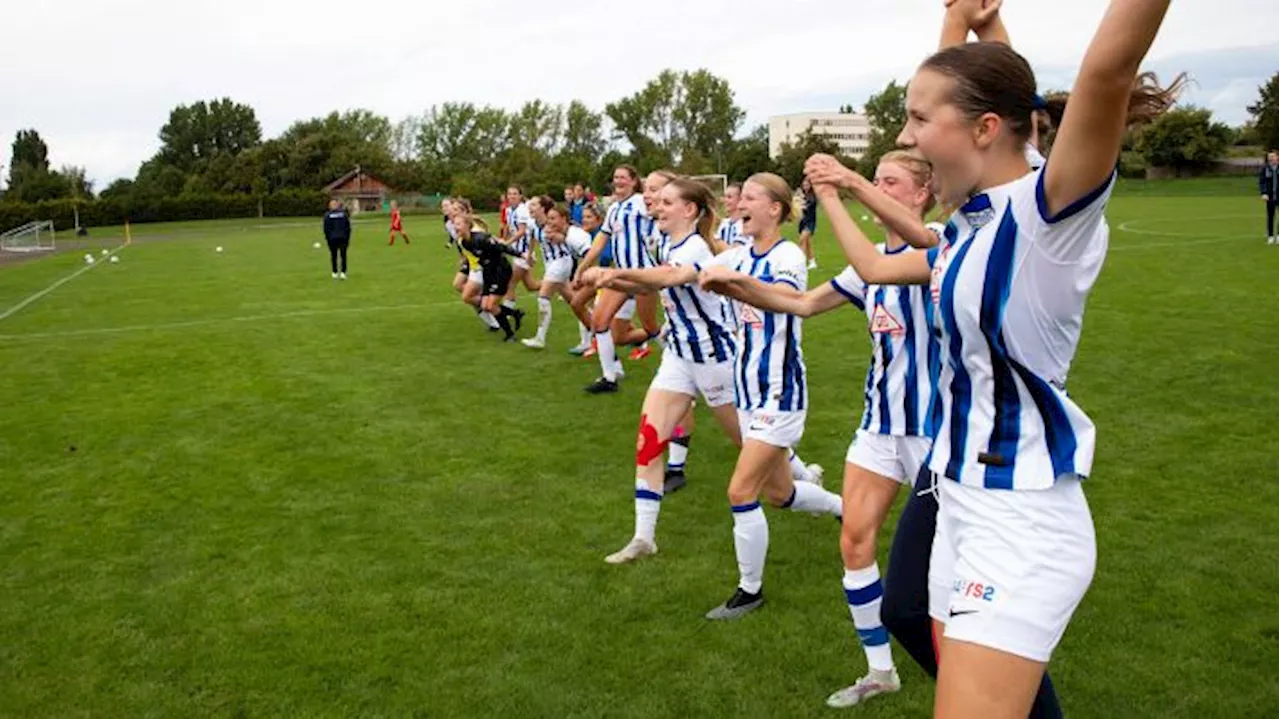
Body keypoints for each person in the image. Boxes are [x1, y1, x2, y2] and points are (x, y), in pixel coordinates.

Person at [803, 0, 1179, 712]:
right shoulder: (963, 231)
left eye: (917, 119)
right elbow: (999, 97)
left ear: (984, 130)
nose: (904, 136)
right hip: (961, 499)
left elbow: (1105, 73)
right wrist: (970, 23)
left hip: (1022, 518)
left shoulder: (1046, 218)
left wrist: (978, 44)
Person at [707, 150, 941, 707]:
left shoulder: (937, 242)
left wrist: (843, 185)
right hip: (879, 427)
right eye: (876, 178)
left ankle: (978, 672)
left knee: (950, 568)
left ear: (920, 195)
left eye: (891, 181)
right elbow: (806, 304)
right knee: (854, 541)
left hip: (939, 431)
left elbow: (911, 256)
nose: (877, 188)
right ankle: (880, 670)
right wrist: (736, 288)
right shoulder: (865, 267)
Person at [692, 172, 844, 620]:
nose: (740, 203)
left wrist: (732, 283)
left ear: (774, 209)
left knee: (741, 490)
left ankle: (750, 591)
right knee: (780, 493)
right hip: (747, 390)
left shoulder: (788, 254)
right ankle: (844, 508)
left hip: (780, 391)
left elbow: (786, 297)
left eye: (751, 198)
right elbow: (696, 269)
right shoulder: (739, 254)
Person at [583, 178, 745, 564]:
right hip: (678, 356)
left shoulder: (695, 247)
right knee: (649, 439)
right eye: (656, 198)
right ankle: (644, 537)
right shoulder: (663, 242)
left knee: (756, 449)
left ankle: (812, 486)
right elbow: (654, 278)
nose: (655, 204)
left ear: (689, 211)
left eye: (667, 200)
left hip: (713, 358)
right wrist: (612, 276)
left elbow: (671, 277)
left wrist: (613, 276)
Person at [575, 166, 658, 394]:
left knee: (651, 328)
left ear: (633, 181)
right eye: (615, 178)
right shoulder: (613, 210)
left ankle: (682, 372)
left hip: (643, 276)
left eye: (623, 177)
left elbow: (662, 217)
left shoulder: (642, 202)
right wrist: (581, 270)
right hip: (620, 275)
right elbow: (599, 242)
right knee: (600, 323)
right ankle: (609, 377)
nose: (618, 181)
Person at [522, 199, 595, 349]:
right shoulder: (533, 224)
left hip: (561, 262)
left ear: (543, 209)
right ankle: (592, 329)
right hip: (551, 264)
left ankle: (540, 338)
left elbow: (569, 238)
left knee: (543, 296)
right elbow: (532, 238)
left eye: (534, 205)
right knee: (575, 301)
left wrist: (560, 237)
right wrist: (529, 254)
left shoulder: (553, 227)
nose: (530, 208)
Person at [455, 206, 525, 342]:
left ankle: (510, 335)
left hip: (500, 271)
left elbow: (502, 247)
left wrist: (521, 254)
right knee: (485, 305)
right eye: (454, 224)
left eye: (458, 224)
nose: (455, 227)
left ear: (467, 225)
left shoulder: (481, 238)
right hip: (488, 272)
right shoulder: (464, 242)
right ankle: (515, 313)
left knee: (490, 306)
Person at [323, 199, 351, 280]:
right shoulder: (328, 215)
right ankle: (335, 272)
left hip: (341, 238)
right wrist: (328, 238)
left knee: (342, 255)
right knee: (335, 255)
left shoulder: (342, 214)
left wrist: (347, 237)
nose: (334, 205)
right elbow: (326, 228)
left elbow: (347, 227)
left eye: (335, 204)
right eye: (332, 204)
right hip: (334, 239)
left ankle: (342, 272)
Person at [715, 182, 749, 248]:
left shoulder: (745, 224)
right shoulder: (724, 223)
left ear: (740, 199)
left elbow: (735, 251)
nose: (725, 200)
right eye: (724, 196)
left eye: (729, 197)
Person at [797, 177, 818, 269]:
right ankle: (812, 262)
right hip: (803, 222)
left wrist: (799, 205)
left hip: (810, 222)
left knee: (802, 240)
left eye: (807, 185)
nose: (805, 186)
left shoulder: (812, 196)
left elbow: (807, 207)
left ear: (811, 186)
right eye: (804, 185)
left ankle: (800, 263)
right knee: (807, 242)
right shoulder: (803, 195)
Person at [1261, 150, 1279, 245]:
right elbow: (1262, 181)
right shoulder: (1265, 168)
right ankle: (1271, 236)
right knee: (1270, 216)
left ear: (1277, 157)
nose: (1271, 158)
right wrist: (1264, 193)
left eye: (1273, 156)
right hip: (1270, 196)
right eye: (1269, 157)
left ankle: (1279, 235)